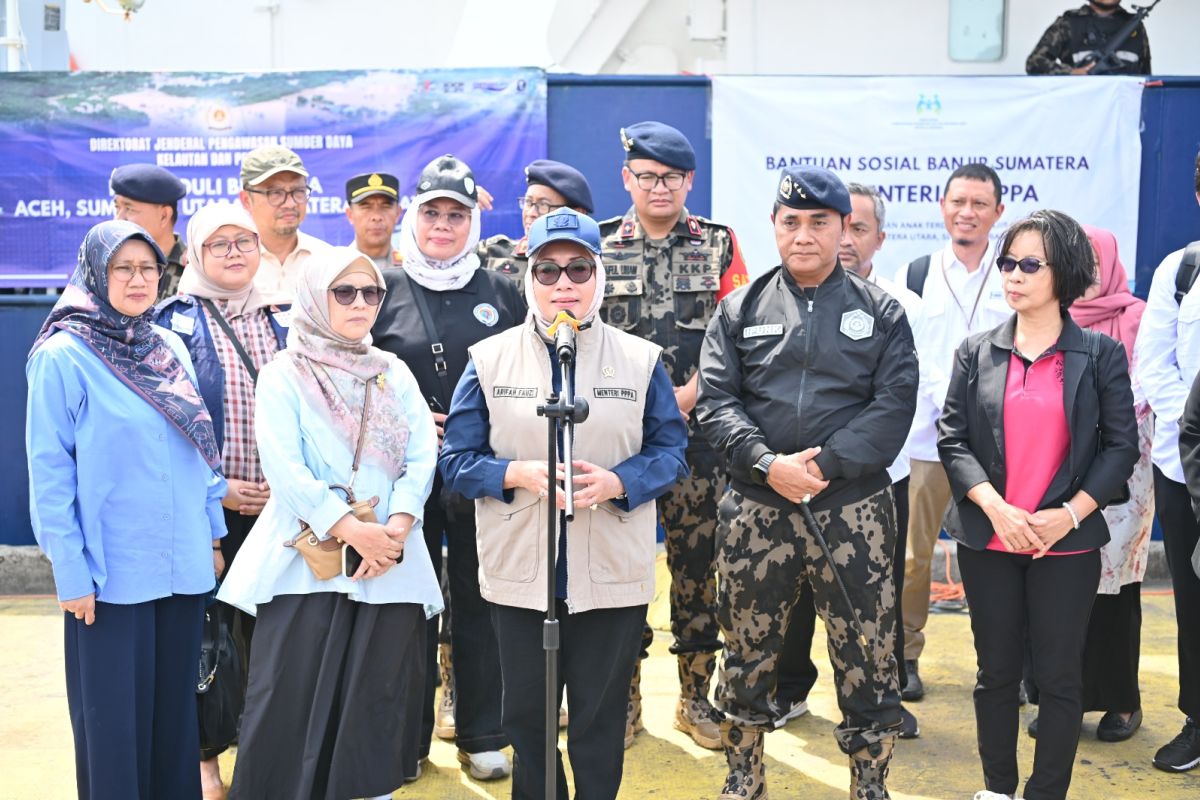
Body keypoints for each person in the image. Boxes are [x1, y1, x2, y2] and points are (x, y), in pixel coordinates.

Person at [439, 207, 688, 800]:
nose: (564, 285)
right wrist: (515, 472)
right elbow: (455, 460)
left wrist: (619, 482)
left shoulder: (640, 359)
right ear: (529, 279)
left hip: (609, 571)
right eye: (547, 272)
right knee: (526, 721)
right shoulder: (489, 359)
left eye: (578, 268)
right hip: (521, 573)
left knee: (599, 727)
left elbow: (672, 451)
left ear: (598, 276)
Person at [697, 166, 917, 799]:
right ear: (774, 226)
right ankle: (744, 780)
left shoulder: (881, 313)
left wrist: (820, 467)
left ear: (845, 229)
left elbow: (893, 405)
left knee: (869, 657)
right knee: (745, 651)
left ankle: (869, 785)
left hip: (852, 511)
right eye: (790, 222)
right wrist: (770, 464)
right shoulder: (738, 309)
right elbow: (716, 402)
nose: (803, 235)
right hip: (758, 508)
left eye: (819, 222)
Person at [217, 246, 442, 800]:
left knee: (375, 694)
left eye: (371, 293)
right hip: (305, 560)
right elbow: (285, 469)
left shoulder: (394, 371)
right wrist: (352, 528)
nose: (361, 303)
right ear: (317, 299)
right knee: (289, 693)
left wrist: (397, 525)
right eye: (345, 292)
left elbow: (422, 454)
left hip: (389, 556)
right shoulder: (282, 373)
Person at [938, 209, 1138, 800]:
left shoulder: (1098, 355)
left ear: (1066, 272)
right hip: (989, 539)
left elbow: (1120, 447)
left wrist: (1069, 513)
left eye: (1030, 264)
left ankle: (1045, 792)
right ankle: (998, 789)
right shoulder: (976, 351)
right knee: (995, 674)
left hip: (1066, 542)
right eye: (1008, 263)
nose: (1013, 275)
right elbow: (953, 439)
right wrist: (996, 508)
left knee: (1057, 677)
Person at [26, 219, 228, 799]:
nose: (139, 280)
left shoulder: (165, 346)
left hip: (181, 565)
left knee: (174, 730)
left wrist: (212, 537)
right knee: (113, 731)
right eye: (123, 268)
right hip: (108, 577)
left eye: (149, 268)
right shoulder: (63, 356)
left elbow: (198, 450)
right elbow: (50, 475)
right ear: (96, 274)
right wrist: (69, 571)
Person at [370, 154, 525, 781]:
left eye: (455, 214)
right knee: (404, 605)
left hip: (480, 474)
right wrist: (406, 424)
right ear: (414, 216)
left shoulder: (504, 291)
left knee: (482, 600)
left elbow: (524, 374)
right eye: (431, 212)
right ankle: (404, 739)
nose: (442, 225)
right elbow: (355, 378)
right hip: (399, 477)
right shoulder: (377, 287)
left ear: (472, 220)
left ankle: (483, 731)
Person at [598, 120, 749, 751]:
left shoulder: (718, 244)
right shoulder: (599, 246)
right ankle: (624, 701)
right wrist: (644, 403)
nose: (660, 188)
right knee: (621, 572)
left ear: (690, 180)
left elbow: (739, 333)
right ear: (628, 178)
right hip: (621, 444)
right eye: (647, 177)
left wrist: (690, 396)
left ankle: (695, 698)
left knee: (698, 572)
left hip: (698, 441)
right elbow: (581, 335)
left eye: (672, 178)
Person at [775, 182, 924, 739]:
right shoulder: (766, 300)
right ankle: (787, 689)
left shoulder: (898, 308)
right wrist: (780, 464)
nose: (841, 240)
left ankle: (878, 704)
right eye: (800, 222)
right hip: (783, 483)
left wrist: (834, 461)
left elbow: (907, 395)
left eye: (856, 228)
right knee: (787, 597)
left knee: (871, 604)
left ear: (874, 237)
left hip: (875, 481)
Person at [154, 202, 290, 798]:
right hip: (209, 511)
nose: (234, 252)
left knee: (273, 639)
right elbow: (168, 424)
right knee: (206, 638)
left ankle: (266, 756)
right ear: (195, 254)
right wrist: (220, 491)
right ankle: (205, 758)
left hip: (283, 509)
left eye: (244, 241)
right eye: (219, 244)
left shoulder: (286, 318)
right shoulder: (169, 321)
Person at [1024, 224, 1152, 744]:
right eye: (1083, 264)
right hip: (1056, 470)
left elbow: (1143, 388)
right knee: (1056, 588)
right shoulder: (1050, 318)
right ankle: (1062, 700)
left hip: (1124, 471)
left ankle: (1120, 700)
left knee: (1114, 588)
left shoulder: (1137, 316)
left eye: (1099, 262)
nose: (1093, 275)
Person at [895, 163, 1010, 703]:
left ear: (998, 213)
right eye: (958, 202)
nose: (967, 212)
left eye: (979, 204)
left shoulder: (1015, 272)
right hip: (926, 441)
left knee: (999, 556)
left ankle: (1004, 664)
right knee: (914, 557)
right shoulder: (915, 274)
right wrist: (951, 400)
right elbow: (904, 354)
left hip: (1001, 443)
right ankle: (905, 657)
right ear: (942, 207)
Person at [1131, 147, 1200, 773]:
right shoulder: (1180, 270)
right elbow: (1154, 365)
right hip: (1189, 469)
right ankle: (1198, 719)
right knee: (1194, 596)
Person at [480, 158, 594, 289]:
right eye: (528, 202)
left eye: (543, 204)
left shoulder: (591, 263)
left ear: (577, 213)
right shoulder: (491, 254)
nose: (531, 213)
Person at [238, 144, 328, 303]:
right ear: (246, 200)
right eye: (276, 193)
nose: (290, 203)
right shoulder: (229, 261)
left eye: (298, 191)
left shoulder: (327, 260)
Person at [110, 164, 188, 300]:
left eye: (130, 209)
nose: (119, 219)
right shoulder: (107, 265)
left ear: (164, 216)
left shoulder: (195, 270)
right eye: (117, 208)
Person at [1026, 2, 1152, 76]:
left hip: (1125, 114)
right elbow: (1035, 63)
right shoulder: (1068, 23)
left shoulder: (1135, 26)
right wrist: (1072, 72)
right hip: (1082, 113)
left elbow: (1146, 75)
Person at [344, 172, 403, 271]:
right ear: (350, 215)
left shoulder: (412, 270)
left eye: (385, 206)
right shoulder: (336, 268)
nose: (376, 216)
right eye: (366, 207)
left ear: (398, 213)